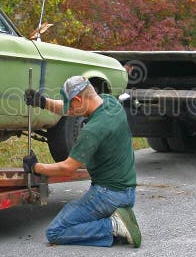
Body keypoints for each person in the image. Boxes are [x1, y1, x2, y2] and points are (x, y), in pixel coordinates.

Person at [23, 75, 141, 248]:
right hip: (127, 192)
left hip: (107, 196)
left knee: (55, 231)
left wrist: (36, 166)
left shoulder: (93, 130)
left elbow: (68, 168)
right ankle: (116, 218)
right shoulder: (110, 103)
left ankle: (114, 226)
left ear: (78, 100)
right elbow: (68, 109)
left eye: (70, 104)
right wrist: (41, 101)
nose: (69, 111)